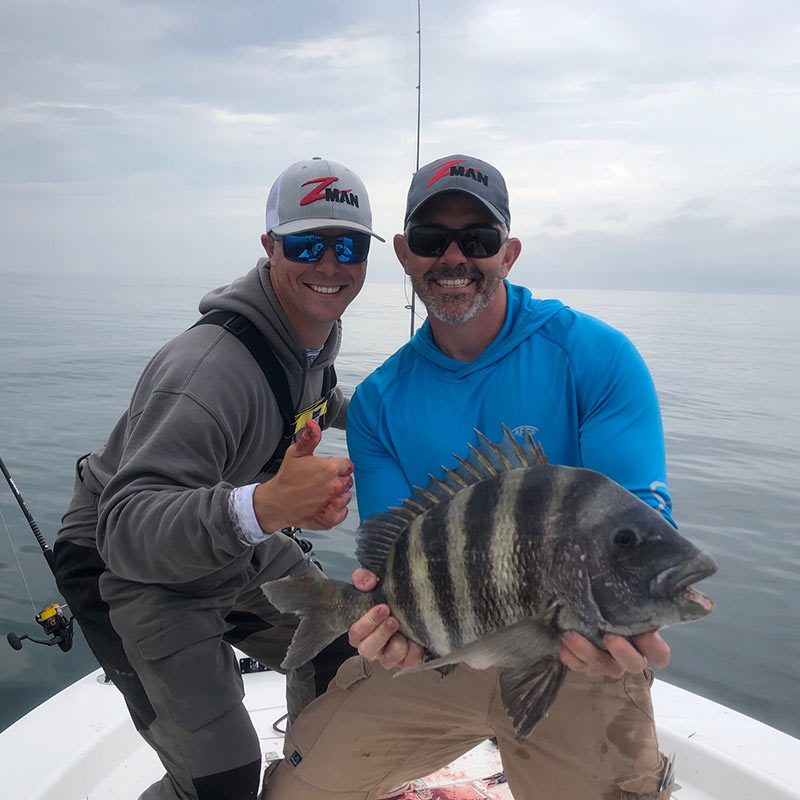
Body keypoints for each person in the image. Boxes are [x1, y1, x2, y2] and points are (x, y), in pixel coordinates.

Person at [261, 154, 677, 800]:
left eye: (477, 240)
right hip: (440, 652)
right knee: (297, 792)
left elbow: (637, 533)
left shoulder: (596, 358)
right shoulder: (377, 403)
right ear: (404, 253)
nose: (454, 258)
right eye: (432, 240)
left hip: (575, 656)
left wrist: (617, 621)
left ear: (508, 254)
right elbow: (392, 557)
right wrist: (386, 630)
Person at [52, 157, 384, 800]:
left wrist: (400, 421)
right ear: (269, 247)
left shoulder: (308, 342)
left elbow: (318, 401)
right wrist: (266, 505)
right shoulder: (208, 372)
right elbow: (126, 529)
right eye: (306, 243)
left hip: (222, 541)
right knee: (222, 782)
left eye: (347, 245)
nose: (329, 264)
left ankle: (309, 779)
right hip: (121, 564)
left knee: (340, 649)